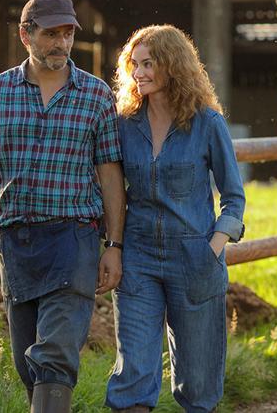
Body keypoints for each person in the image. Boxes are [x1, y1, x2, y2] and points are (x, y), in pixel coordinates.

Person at [0, 0, 124, 412]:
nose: (62, 43)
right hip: (17, 243)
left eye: (67, 33)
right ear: (26, 35)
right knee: (28, 364)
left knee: (55, 355)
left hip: (75, 239)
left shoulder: (95, 96)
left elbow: (111, 177)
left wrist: (113, 246)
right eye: (51, 34)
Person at [105, 25, 246, 413]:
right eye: (134, 65)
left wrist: (212, 248)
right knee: (133, 371)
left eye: (148, 63)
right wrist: (112, 247)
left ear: (173, 64)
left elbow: (234, 199)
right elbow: (110, 184)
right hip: (139, 258)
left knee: (197, 385)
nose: (139, 73)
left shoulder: (207, 124)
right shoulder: (123, 125)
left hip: (195, 258)